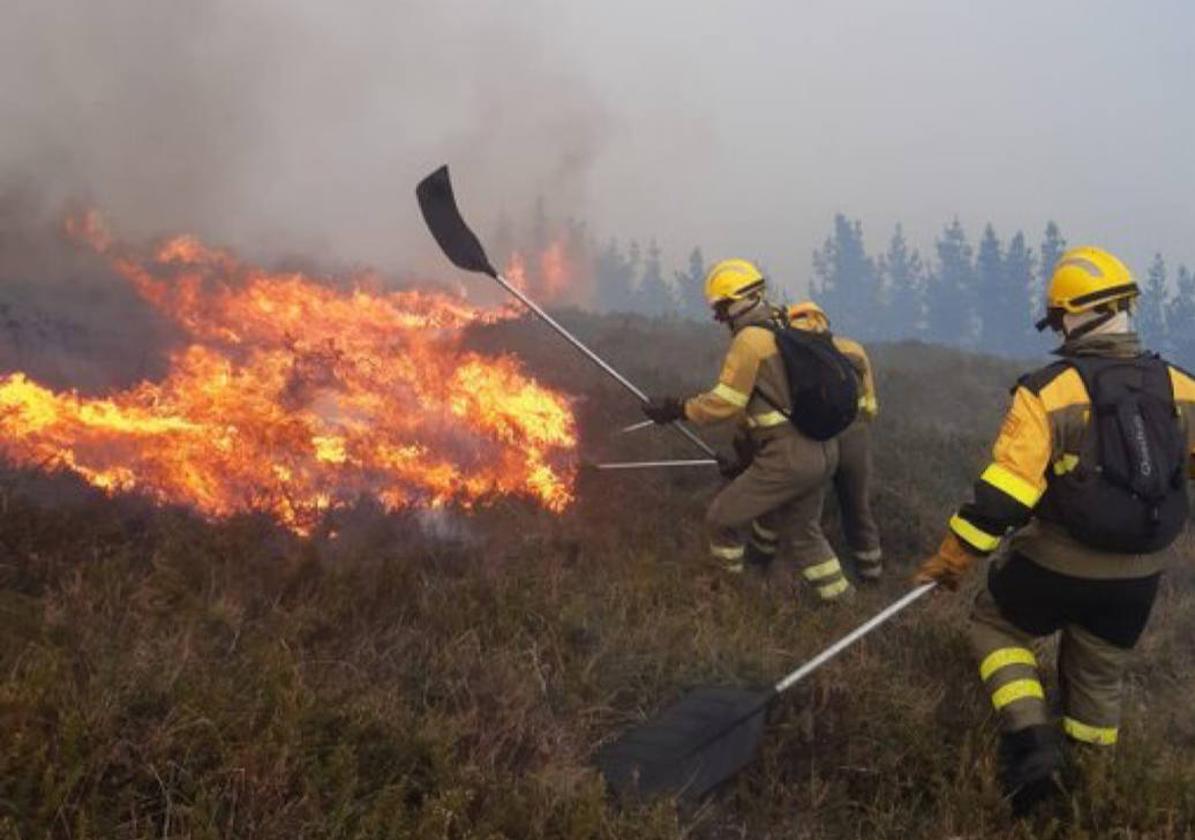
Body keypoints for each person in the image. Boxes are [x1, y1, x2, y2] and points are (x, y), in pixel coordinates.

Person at [914, 246, 1195, 815]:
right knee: (1100, 674)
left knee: (995, 625)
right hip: (1139, 578)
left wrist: (953, 557)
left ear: (1071, 315)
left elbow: (1006, 495)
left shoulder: (1048, 390)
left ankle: (1030, 739)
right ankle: (1091, 790)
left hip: (1055, 565)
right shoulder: (1183, 387)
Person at [641, 258, 852, 603]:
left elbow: (726, 402)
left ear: (739, 300)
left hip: (789, 456)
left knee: (721, 519)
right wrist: (747, 458)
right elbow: (772, 401)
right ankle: (845, 605)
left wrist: (677, 409)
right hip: (824, 449)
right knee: (804, 532)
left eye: (722, 308)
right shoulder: (790, 325)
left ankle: (729, 596)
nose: (719, 318)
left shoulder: (750, 341)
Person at [789, 301, 883, 581]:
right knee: (857, 509)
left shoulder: (790, 353)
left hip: (813, 438)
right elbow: (870, 406)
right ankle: (872, 579)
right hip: (855, 436)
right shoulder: (853, 349)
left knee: (802, 513)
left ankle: (767, 568)